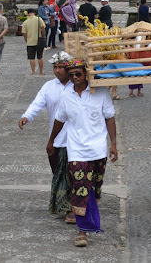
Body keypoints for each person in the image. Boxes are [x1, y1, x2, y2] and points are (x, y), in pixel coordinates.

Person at [48, 60, 118, 248]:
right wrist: (51, 141)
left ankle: (90, 215)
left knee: (94, 187)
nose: (74, 78)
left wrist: (114, 144)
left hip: (98, 150)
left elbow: (109, 117)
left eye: (77, 74)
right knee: (80, 188)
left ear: (85, 74)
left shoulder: (101, 92)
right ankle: (82, 231)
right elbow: (59, 120)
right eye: (70, 75)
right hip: (77, 151)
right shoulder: (66, 95)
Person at [18, 51, 76, 224]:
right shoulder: (49, 87)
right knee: (59, 174)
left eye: (61, 67)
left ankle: (72, 208)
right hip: (57, 138)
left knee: (73, 175)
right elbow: (38, 103)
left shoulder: (78, 86)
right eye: (55, 67)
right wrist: (27, 116)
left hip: (76, 140)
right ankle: (66, 204)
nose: (58, 71)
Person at [22, 8, 46, 75]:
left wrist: (26, 40)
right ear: (34, 13)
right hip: (39, 40)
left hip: (30, 42)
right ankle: (41, 72)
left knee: (31, 58)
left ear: (28, 14)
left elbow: (24, 33)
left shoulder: (25, 22)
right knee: (40, 57)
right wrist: (43, 36)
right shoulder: (39, 19)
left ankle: (33, 72)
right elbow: (43, 28)